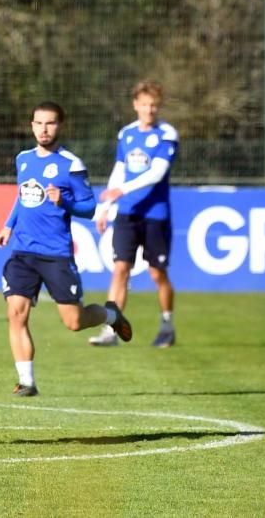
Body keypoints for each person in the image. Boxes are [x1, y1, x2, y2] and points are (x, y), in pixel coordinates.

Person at [0, 102, 132, 396]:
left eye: (50, 123)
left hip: (56, 255)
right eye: (38, 123)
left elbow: (90, 208)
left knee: (74, 321)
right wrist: (8, 225)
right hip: (23, 251)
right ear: (31, 125)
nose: (44, 129)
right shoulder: (23, 159)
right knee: (15, 313)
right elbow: (23, 197)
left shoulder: (71, 164)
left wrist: (65, 202)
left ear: (60, 126)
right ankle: (27, 381)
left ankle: (110, 315)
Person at [90, 80, 179, 348]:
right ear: (135, 105)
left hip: (155, 214)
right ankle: (111, 331)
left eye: (153, 105)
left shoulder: (166, 134)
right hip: (127, 213)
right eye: (144, 104)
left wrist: (121, 190)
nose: (149, 109)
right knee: (120, 270)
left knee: (156, 274)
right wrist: (105, 207)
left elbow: (157, 173)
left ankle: (167, 324)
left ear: (158, 106)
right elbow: (119, 170)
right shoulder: (126, 134)